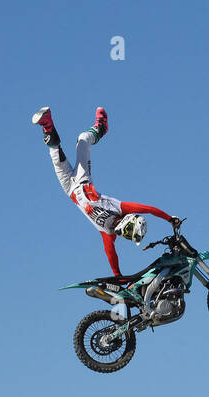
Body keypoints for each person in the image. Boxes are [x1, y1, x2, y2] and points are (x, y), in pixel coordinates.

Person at [33, 106, 175, 277]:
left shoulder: (108, 232)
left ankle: (47, 123)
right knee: (83, 139)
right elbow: (149, 209)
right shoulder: (121, 209)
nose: (124, 235)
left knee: (56, 156)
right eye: (129, 233)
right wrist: (169, 219)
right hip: (82, 178)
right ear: (130, 222)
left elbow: (111, 255)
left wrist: (118, 277)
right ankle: (101, 127)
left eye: (128, 237)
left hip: (70, 191)